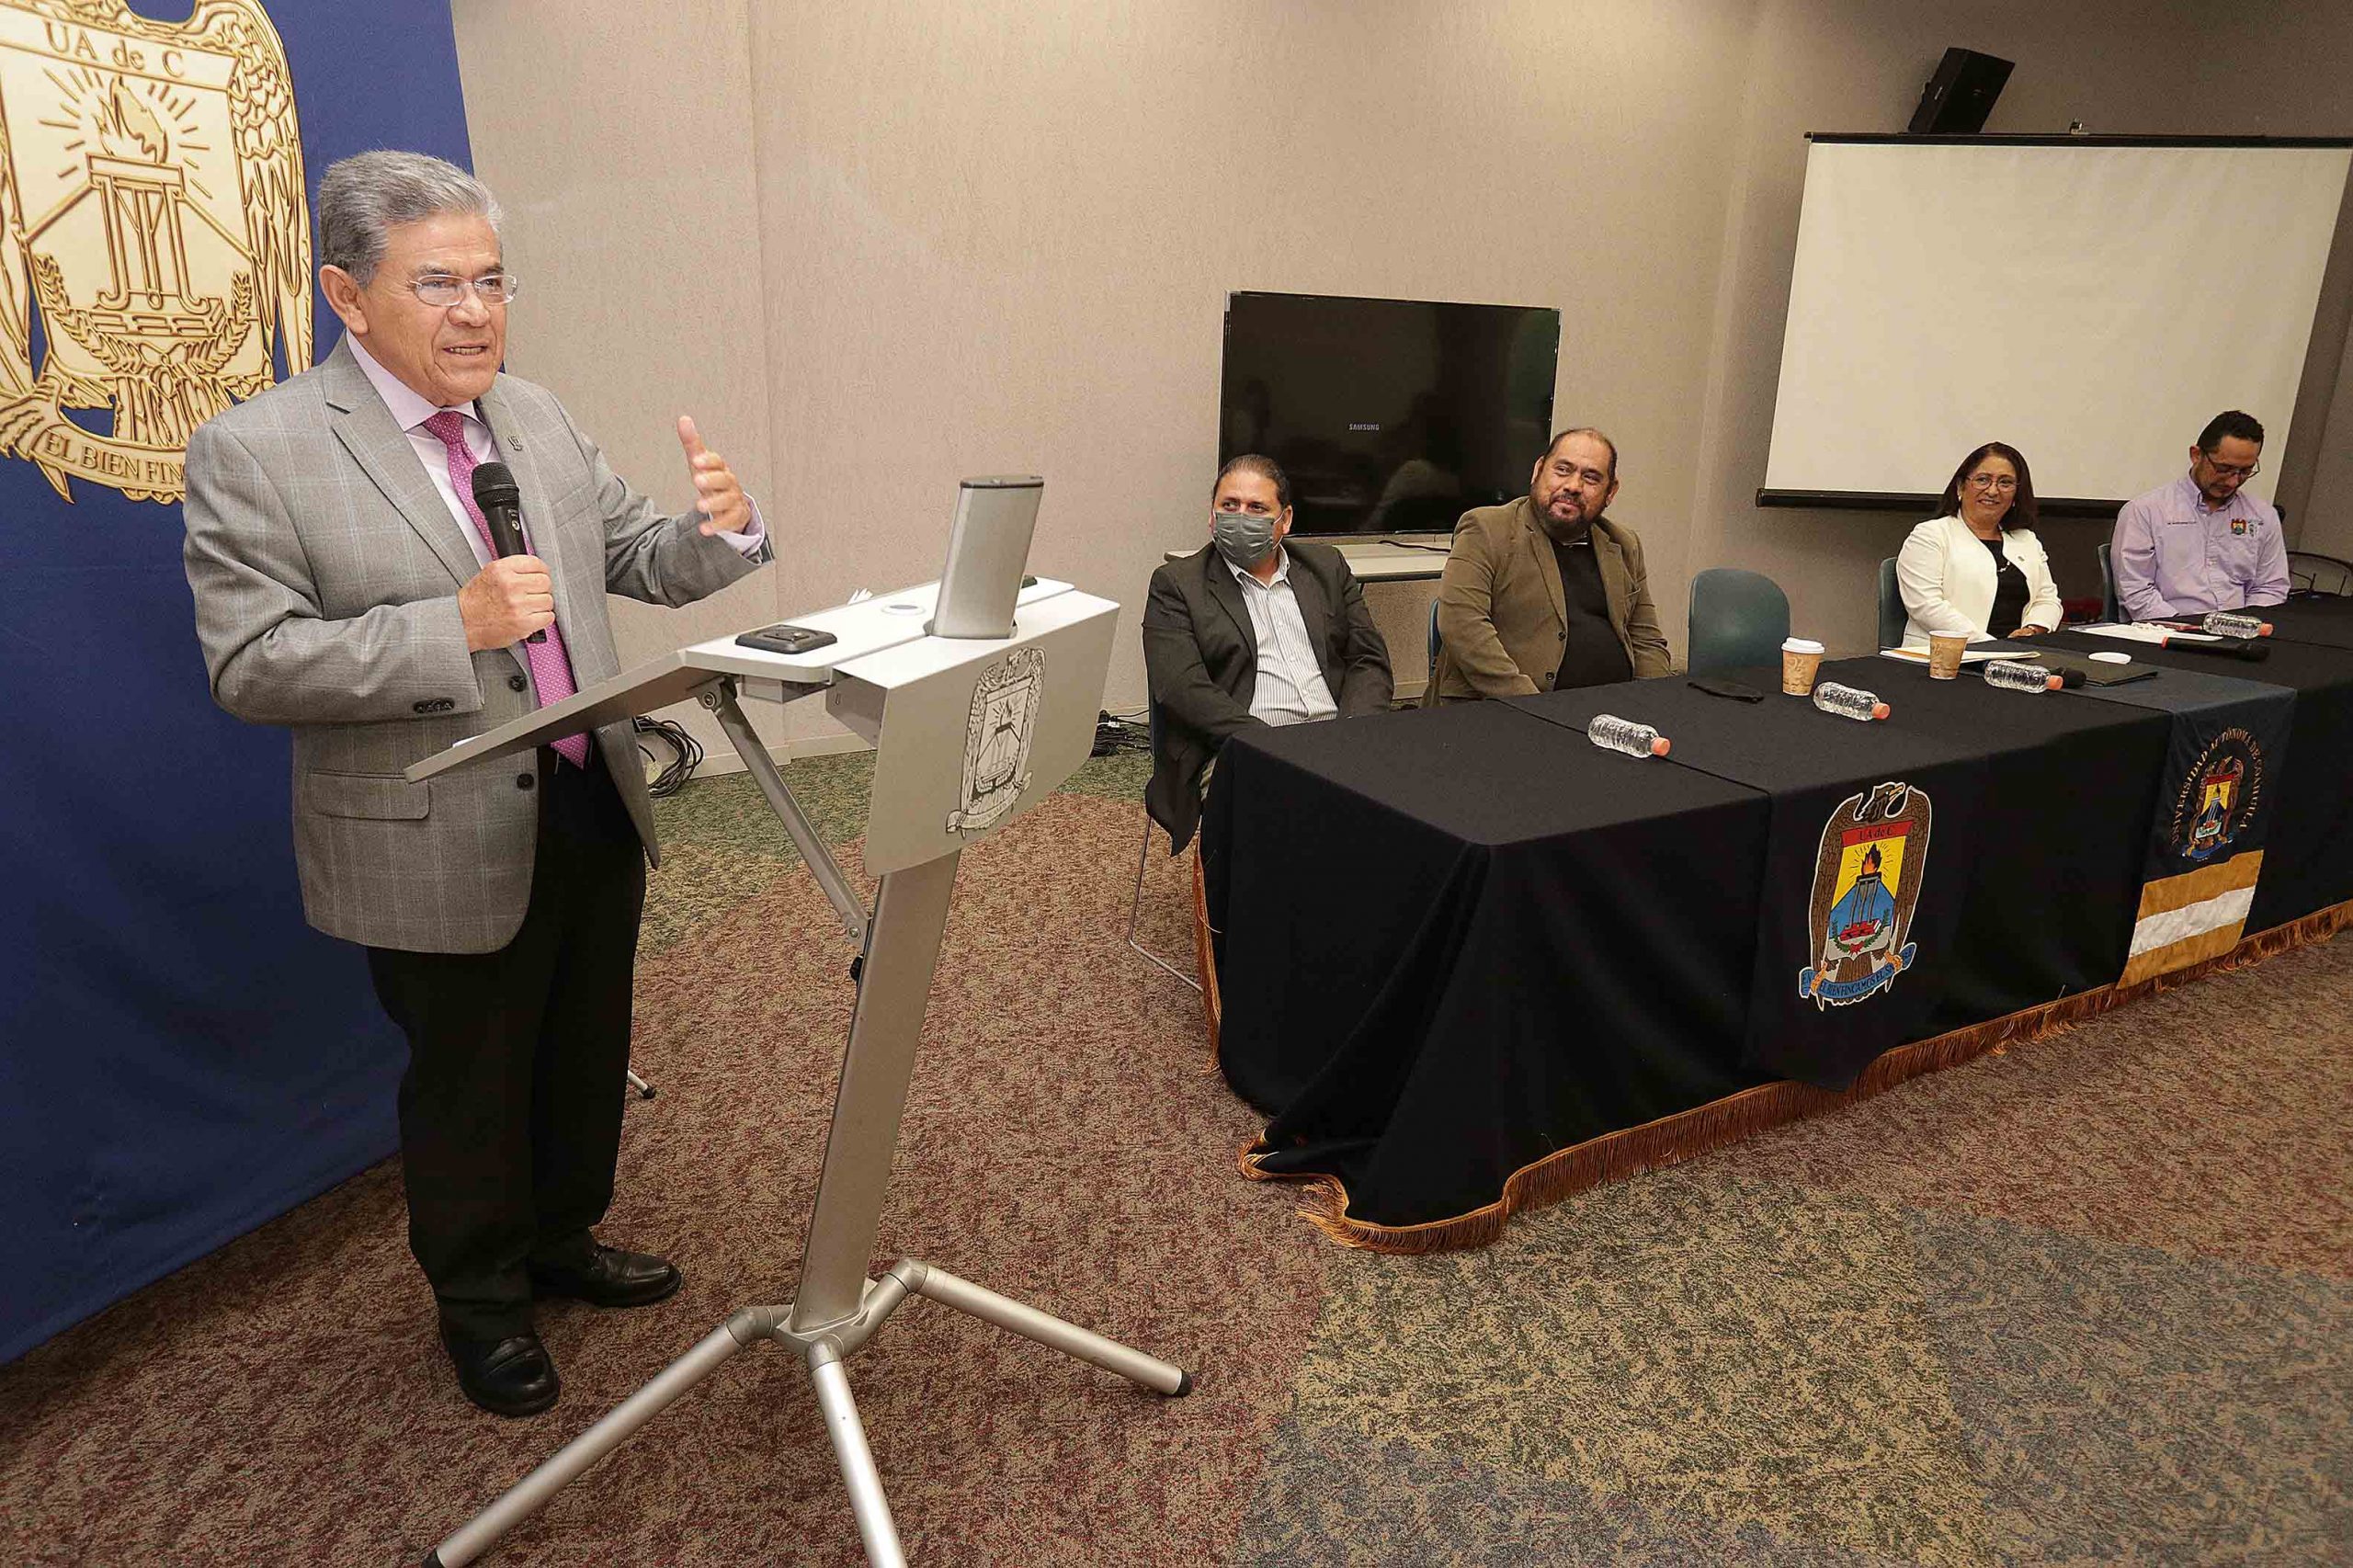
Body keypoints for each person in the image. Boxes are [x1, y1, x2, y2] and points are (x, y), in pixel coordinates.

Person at [182, 152, 773, 1418]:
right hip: (431, 822)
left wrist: (719, 533)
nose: (475, 312)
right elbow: (249, 662)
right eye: (437, 282)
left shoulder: (538, 415)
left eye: (493, 280)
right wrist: (450, 625)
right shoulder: (258, 450)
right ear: (347, 296)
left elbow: (638, 554)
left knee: (582, 1046)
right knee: (470, 1081)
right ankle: (483, 1302)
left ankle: (564, 1236)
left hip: (587, 787)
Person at [1142, 454, 1392, 850]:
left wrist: (1352, 732)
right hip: (1243, 744)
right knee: (1299, 818)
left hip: (1338, 733)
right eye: (1229, 505)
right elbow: (1181, 688)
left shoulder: (1327, 568)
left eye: (1257, 508)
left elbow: (1368, 661)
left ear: (1285, 520)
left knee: (1413, 800)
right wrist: (1275, 746)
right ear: (1211, 514)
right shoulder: (1176, 584)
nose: (1241, 516)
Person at [1426, 426, 1670, 701]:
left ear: (1610, 492)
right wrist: (1536, 705)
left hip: (1612, 714)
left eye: (1590, 478)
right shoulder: (1486, 529)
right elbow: (1463, 627)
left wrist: (1652, 701)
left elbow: (1646, 639)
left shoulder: (1624, 544)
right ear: (1538, 470)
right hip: (1508, 710)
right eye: (1563, 470)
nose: (1573, 486)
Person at [2111, 410, 2289, 620]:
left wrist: (2244, 624)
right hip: (2166, 632)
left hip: (2238, 632)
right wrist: (2185, 628)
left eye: (2245, 471)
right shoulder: (2145, 511)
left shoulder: (2262, 516)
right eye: (2224, 468)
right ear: (2196, 455)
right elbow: (2136, 591)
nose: (2233, 481)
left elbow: (2271, 587)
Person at [1895, 441, 2063, 646]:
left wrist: (2033, 629)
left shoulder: (2026, 540)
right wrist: (1992, 647)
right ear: (1961, 487)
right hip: (1945, 659)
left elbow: (2048, 599)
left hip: (2020, 658)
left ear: (2016, 495)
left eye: (2005, 483)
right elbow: (1926, 606)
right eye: (1982, 480)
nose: (1993, 491)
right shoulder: (1930, 536)